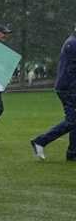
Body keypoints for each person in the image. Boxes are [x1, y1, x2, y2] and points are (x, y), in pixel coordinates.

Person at [30, 25, 76, 161]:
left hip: (68, 86)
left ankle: (73, 153)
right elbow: (71, 70)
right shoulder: (72, 44)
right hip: (69, 88)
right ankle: (40, 141)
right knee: (72, 121)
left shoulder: (72, 42)